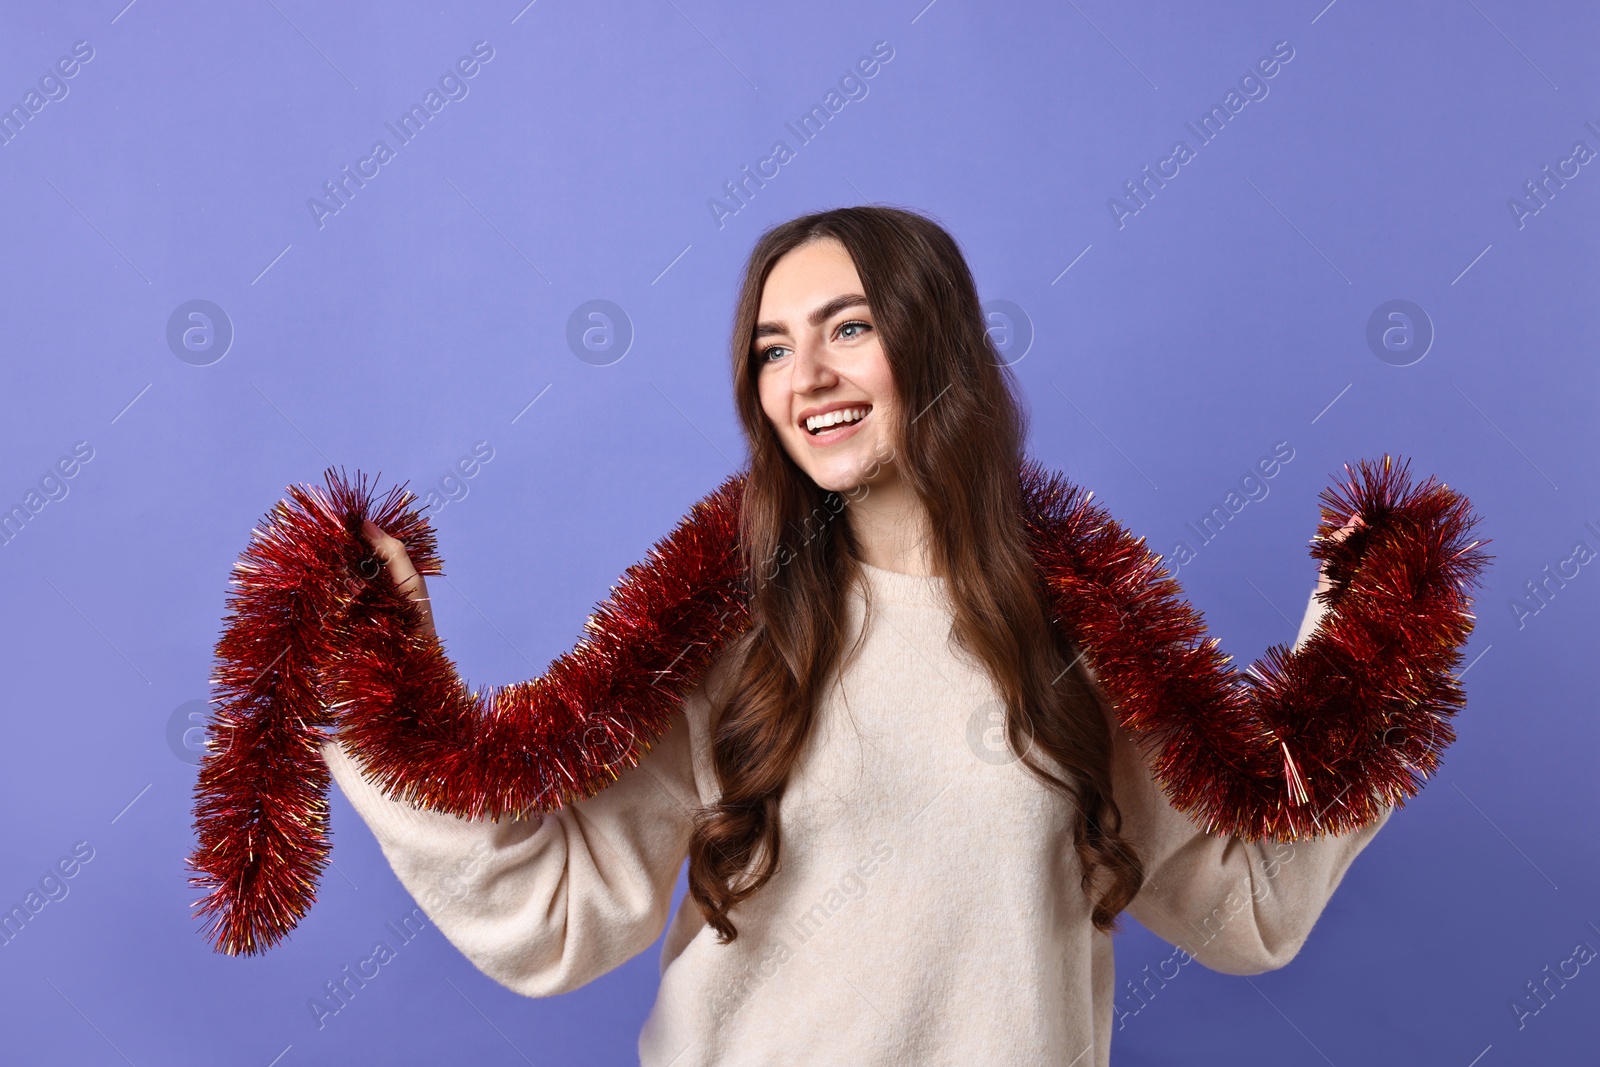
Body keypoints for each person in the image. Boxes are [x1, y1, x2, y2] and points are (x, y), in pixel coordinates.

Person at [333, 205, 1383, 1066]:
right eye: (771, 349)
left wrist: (1366, 631)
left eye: (848, 328)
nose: (806, 378)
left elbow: (1247, 907)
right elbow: (549, 912)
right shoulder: (728, 630)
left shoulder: (1084, 629)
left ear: (937, 344)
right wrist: (373, 678)